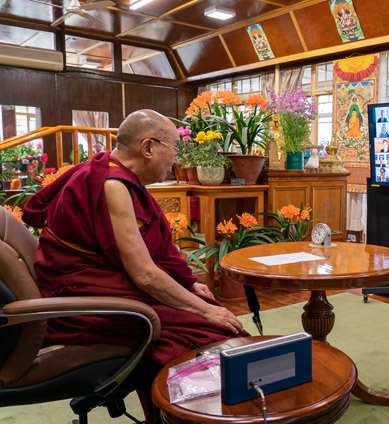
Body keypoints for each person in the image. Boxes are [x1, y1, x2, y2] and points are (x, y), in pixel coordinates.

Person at [21, 110, 247, 422]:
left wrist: (188, 282)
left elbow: (152, 254)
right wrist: (205, 310)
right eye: (174, 150)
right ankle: (184, 415)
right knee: (207, 327)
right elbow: (143, 274)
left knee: (202, 309)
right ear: (148, 147)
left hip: (99, 280)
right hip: (82, 299)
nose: (176, 161)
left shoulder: (109, 172)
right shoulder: (112, 184)